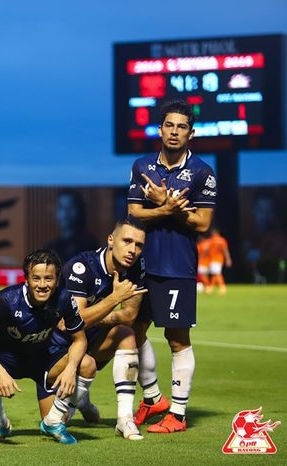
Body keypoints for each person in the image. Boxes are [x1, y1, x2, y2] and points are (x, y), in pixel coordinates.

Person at [127, 99, 216, 433]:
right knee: (131, 330)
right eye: (169, 125)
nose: (174, 132)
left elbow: (204, 223)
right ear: (160, 129)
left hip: (176, 264)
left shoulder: (203, 172)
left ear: (190, 134)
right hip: (139, 262)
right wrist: (168, 209)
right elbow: (134, 212)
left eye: (181, 127)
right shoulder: (142, 166)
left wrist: (168, 206)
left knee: (176, 338)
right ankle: (153, 398)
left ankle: (177, 415)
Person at [0, 249, 94, 446]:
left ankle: (53, 422)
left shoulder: (64, 298)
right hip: (8, 360)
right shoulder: (7, 300)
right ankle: (0, 423)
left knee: (87, 364)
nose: (42, 285)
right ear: (27, 280)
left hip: (44, 360)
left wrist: (71, 369)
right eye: (36, 278)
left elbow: (80, 340)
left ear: (57, 281)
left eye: (49, 278)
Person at [54, 218, 148, 440]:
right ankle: (82, 399)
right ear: (111, 240)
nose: (133, 250)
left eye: (139, 245)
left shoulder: (136, 267)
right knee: (52, 422)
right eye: (127, 241)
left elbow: (129, 316)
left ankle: (125, 420)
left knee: (126, 333)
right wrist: (114, 299)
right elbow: (74, 322)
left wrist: (96, 317)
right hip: (60, 348)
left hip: (93, 343)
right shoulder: (82, 266)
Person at [44, 190, 98, 263]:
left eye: (70, 206)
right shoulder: (51, 248)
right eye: (61, 207)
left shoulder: (89, 245)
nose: (65, 212)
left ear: (79, 210)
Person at [206, 227, 232, 295]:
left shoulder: (210, 240)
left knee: (217, 273)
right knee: (215, 273)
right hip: (220, 259)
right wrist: (228, 259)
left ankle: (223, 287)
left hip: (213, 259)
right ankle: (211, 288)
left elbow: (206, 251)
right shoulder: (222, 240)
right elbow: (225, 250)